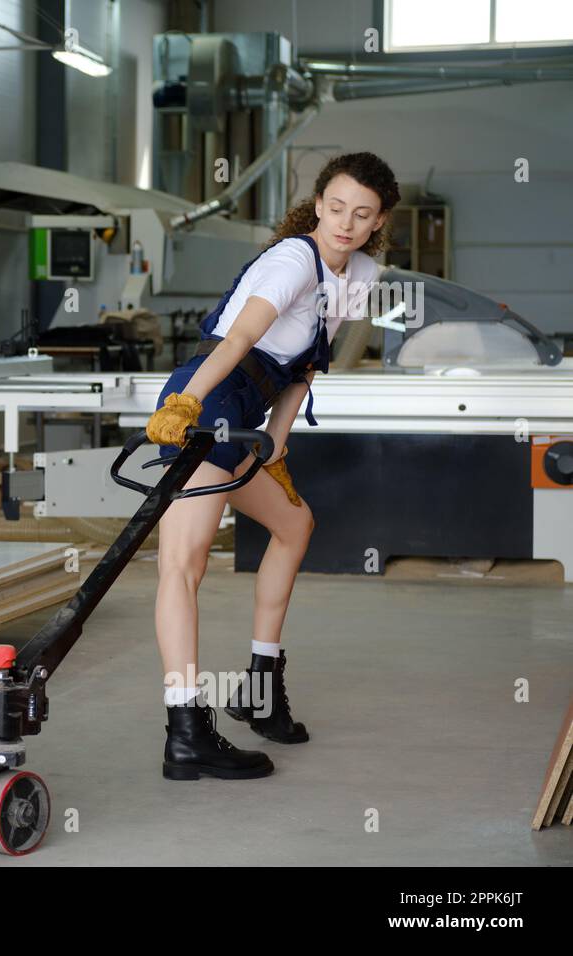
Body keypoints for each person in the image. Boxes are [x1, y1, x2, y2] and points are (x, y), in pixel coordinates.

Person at [145, 151, 400, 781]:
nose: (345, 222)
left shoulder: (361, 273)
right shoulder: (292, 260)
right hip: (208, 401)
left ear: (378, 222)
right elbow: (237, 343)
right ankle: (185, 733)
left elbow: (307, 362)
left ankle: (259, 691)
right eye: (336, 207)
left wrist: (277, 443)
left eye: (361, 214)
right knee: (185, 562)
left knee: (294, 525)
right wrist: (186, 402)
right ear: (318, 205)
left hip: (249, 415)